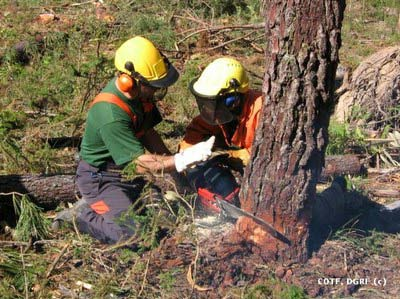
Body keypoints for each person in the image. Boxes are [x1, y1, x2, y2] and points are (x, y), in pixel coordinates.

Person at [53, 36, 215, 245]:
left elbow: (148, 133)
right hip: (101, 179)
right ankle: (82, 216)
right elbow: (138, 164)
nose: (156, 90)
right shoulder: (109, 113)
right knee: (132, 236)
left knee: (164, 220)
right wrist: (181, 159)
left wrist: (179, 176)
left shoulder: (141, 97)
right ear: (128, 80)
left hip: (127, 176)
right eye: (152, 86)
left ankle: (116, 205)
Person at [179, 57, 263, 213]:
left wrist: (226, 156)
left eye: (212, 104)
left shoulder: (261, 111)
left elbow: (265, 156)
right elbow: (194, 133)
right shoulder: (220, 114)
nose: (209, 110)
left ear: (233, 100)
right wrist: (187, 157)